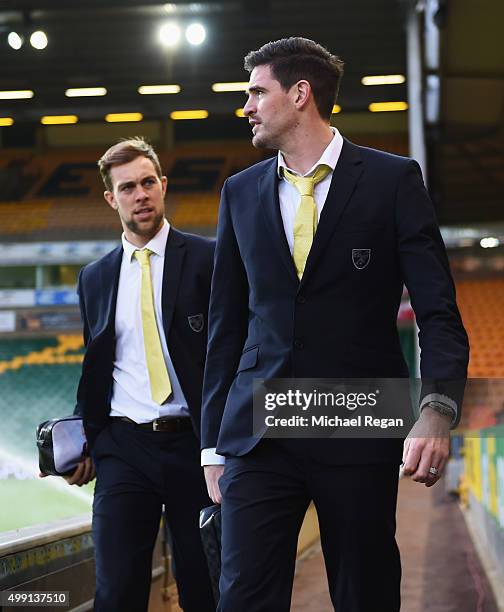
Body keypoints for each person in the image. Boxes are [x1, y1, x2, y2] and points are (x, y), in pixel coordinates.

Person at [201, 37, 469, 612]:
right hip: (258, 429)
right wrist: (210, 446)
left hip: (359, 417)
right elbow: (226, 326)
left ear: (300, 94)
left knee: (365, 595)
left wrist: (437, 408)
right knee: (242, 596)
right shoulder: (240, 192)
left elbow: (438, 312)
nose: (246, 107)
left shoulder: (393, 179)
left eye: (256, 92)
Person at [66, 137, 215, 612]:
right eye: (128, 187)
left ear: (163, 185)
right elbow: (96, 365)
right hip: (124, 448)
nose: (141, 195)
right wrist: (85, 437)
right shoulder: (95, 277)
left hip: (196, 445)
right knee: (116, 591)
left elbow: (228, 355)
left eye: (148, 182)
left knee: (204, 586)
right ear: (112, 198)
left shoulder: (207, 260)